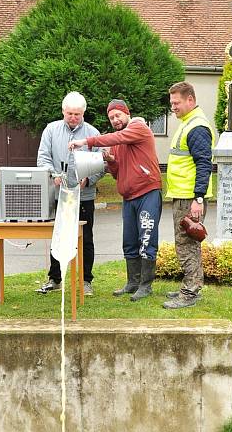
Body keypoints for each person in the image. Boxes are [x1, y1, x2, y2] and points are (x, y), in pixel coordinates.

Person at [69, 99, 162, 301]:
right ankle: (132, 282)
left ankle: (146, 285)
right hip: (128, 197)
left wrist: (86, 142)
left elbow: (117, 137)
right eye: (111, 117)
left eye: (118, 115)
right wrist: (111, 161)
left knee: (146, 238)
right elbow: (118, 172)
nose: (115, 120)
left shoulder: (138, 127)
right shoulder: (119, 143)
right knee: (129, 241)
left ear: (127, 113)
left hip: (148, 192)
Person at [36, 91, 105, 296]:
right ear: (63, 111)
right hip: (59, 194)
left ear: (84, 113)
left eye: (77, 114)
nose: (73, 118)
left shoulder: (93, 133)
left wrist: (89, 179)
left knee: (86, 238)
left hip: (84, 196)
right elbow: (43, 158)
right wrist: (52, 175)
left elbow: (101, 164)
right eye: (69, 114)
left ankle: (85, 281)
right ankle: (55, 278)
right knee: (59, 236)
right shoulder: (51, 130)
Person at [163, 81, 214, 309]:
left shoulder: (196, 127)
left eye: (177, 102)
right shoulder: (187, 123)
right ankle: (189, 285)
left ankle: (191, 292)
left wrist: (198, 198)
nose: (173, 107)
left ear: (190, 100)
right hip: (183, 194)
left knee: (186, 244)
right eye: (171, 102)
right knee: (185, 243)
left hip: (189, 197)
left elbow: (204, 164)